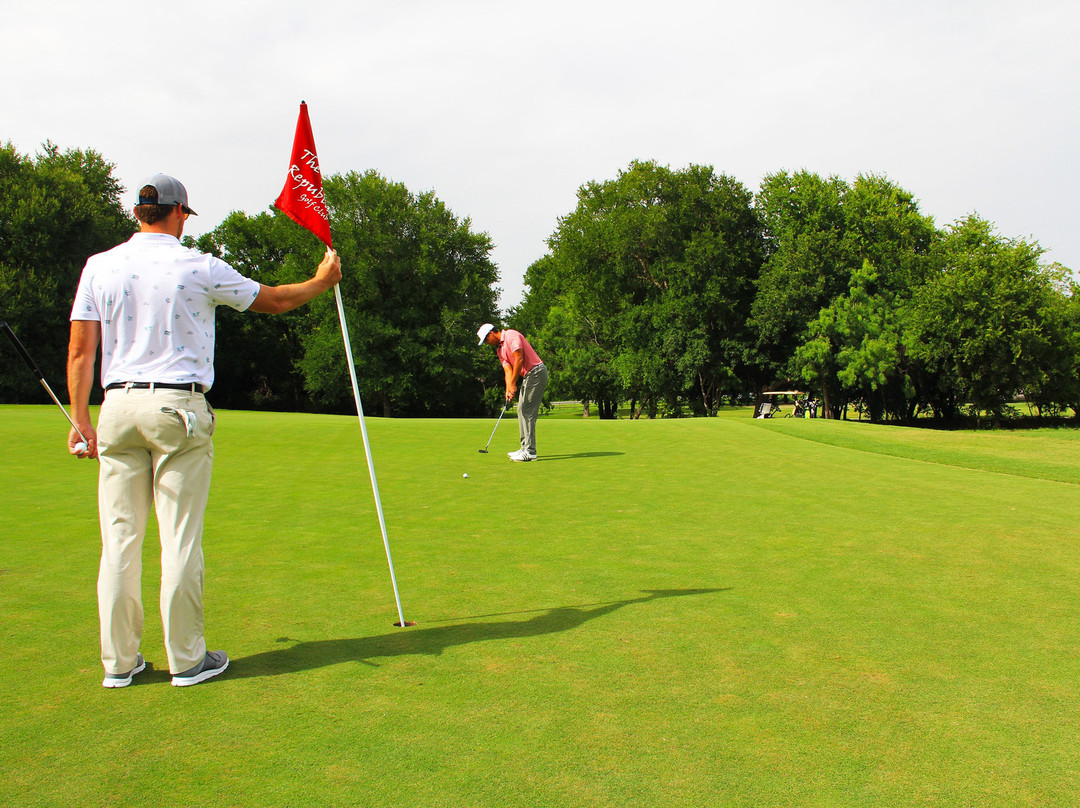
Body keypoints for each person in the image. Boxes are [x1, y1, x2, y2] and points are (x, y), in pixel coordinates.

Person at [67, 174, 342, 688]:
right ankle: (187, 660)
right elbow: (277, 300)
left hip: (116, 409)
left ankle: (119, 665)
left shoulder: (98, 267)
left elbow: (82, 351)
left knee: (120, 541)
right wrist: (323, 281)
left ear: (137, 213)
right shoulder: (197, 265)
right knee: (179, 539)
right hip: (178, 408)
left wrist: (81, 421)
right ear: (179, 214)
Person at [477, 323, 548, 461]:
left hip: (537, 372)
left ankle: (530, 451)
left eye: (486, 340)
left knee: (526, 410)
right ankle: (524, 448)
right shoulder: (500, 350)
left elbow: (519, 358)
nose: (487, 343)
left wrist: (514, 383)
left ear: (491, 333)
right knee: (521, 410)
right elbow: (508, 370)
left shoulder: (510, 335)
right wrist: (509, 388)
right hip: (529, 376)